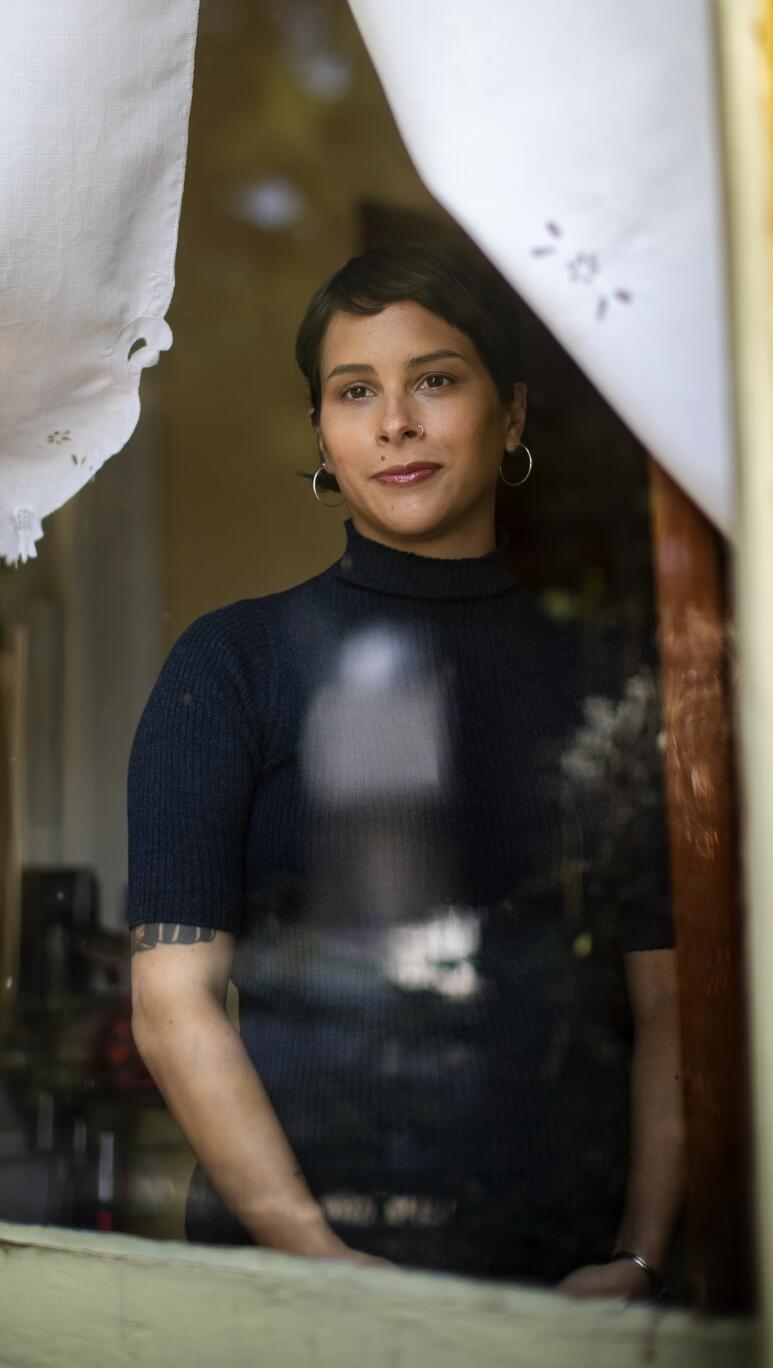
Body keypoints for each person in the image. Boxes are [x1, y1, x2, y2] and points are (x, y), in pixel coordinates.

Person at [125, 244, 683, 1295]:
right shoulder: (232, 665)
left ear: (511, 414)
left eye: (435, 378)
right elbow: (173, 1003)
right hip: (297, 1291)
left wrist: (640, 1255)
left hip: (566, 1287)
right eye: (354, 392)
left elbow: (670, 1003)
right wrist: (321, 1262)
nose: (395, 424)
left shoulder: (610, 674)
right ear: (323, 436)